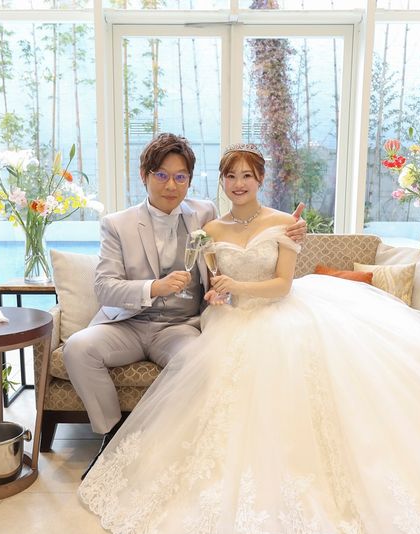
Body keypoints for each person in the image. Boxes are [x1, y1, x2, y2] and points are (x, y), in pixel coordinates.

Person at [78, 142, 420, 534]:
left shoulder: (275, 223)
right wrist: (212, 294)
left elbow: (282, 286)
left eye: (247, 176)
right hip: (188, 319)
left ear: (260, 179)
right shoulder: (203, 224)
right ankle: (115, 439)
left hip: (259, 315)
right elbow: (203, 281)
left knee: (269, 364)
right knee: (105, 351)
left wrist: (240, 282)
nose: (238, 184)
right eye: (230, 176)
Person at [63, 134, 306, 472]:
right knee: (78, 348)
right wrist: (154, 287)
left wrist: (294, 229)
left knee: (199, 362)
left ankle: (165, 441)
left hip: (180, 326)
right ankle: (112, 435)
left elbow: (244, 232)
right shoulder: (117, 224)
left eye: (180, 177)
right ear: (144, 175)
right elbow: (104, 287)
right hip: (128, 323)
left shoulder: (204, 213)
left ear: (190, 180)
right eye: (161, 175)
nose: (171, 185)